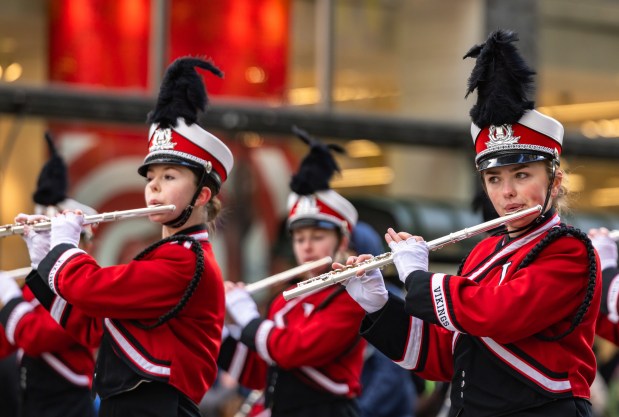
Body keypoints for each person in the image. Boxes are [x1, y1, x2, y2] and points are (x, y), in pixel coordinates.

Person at [339, 29, 601, 417]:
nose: (507, 192)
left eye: (521, 175)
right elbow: (447, 358)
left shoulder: (569, 250)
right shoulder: (482, 252)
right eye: (494, 180)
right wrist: (381, 307)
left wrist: (417, 279)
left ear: (555, 181)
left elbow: (499, 314)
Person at [19, 56, 234, 417]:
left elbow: (91, 288)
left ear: (202, 195)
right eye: (151, 177)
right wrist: (44, 260)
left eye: (169, 176)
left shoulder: (185, 260)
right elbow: (94, 328)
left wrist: (63, 249)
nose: (153, 186)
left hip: (158, 408)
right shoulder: (167, 254)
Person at [219, 126, 366, 417]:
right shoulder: (285, 299)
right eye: (299, 239)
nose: (307, 248)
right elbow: (263, 372)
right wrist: (227, 326)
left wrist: (247, 318)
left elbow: (292, 351)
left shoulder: (352, 297)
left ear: (342, 241)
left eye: (317, 237)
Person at [0, 132, 98, 417]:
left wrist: (9, 298)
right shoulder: (33, 285)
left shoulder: (84, 286)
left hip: (67, 401)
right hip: (32, 396)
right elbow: (9, 341)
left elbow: (37, 336)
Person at [351, 221, 417, 417]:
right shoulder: (342, 297)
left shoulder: (389, 298)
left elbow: (390, 374)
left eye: (349, 251)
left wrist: (358, 412)